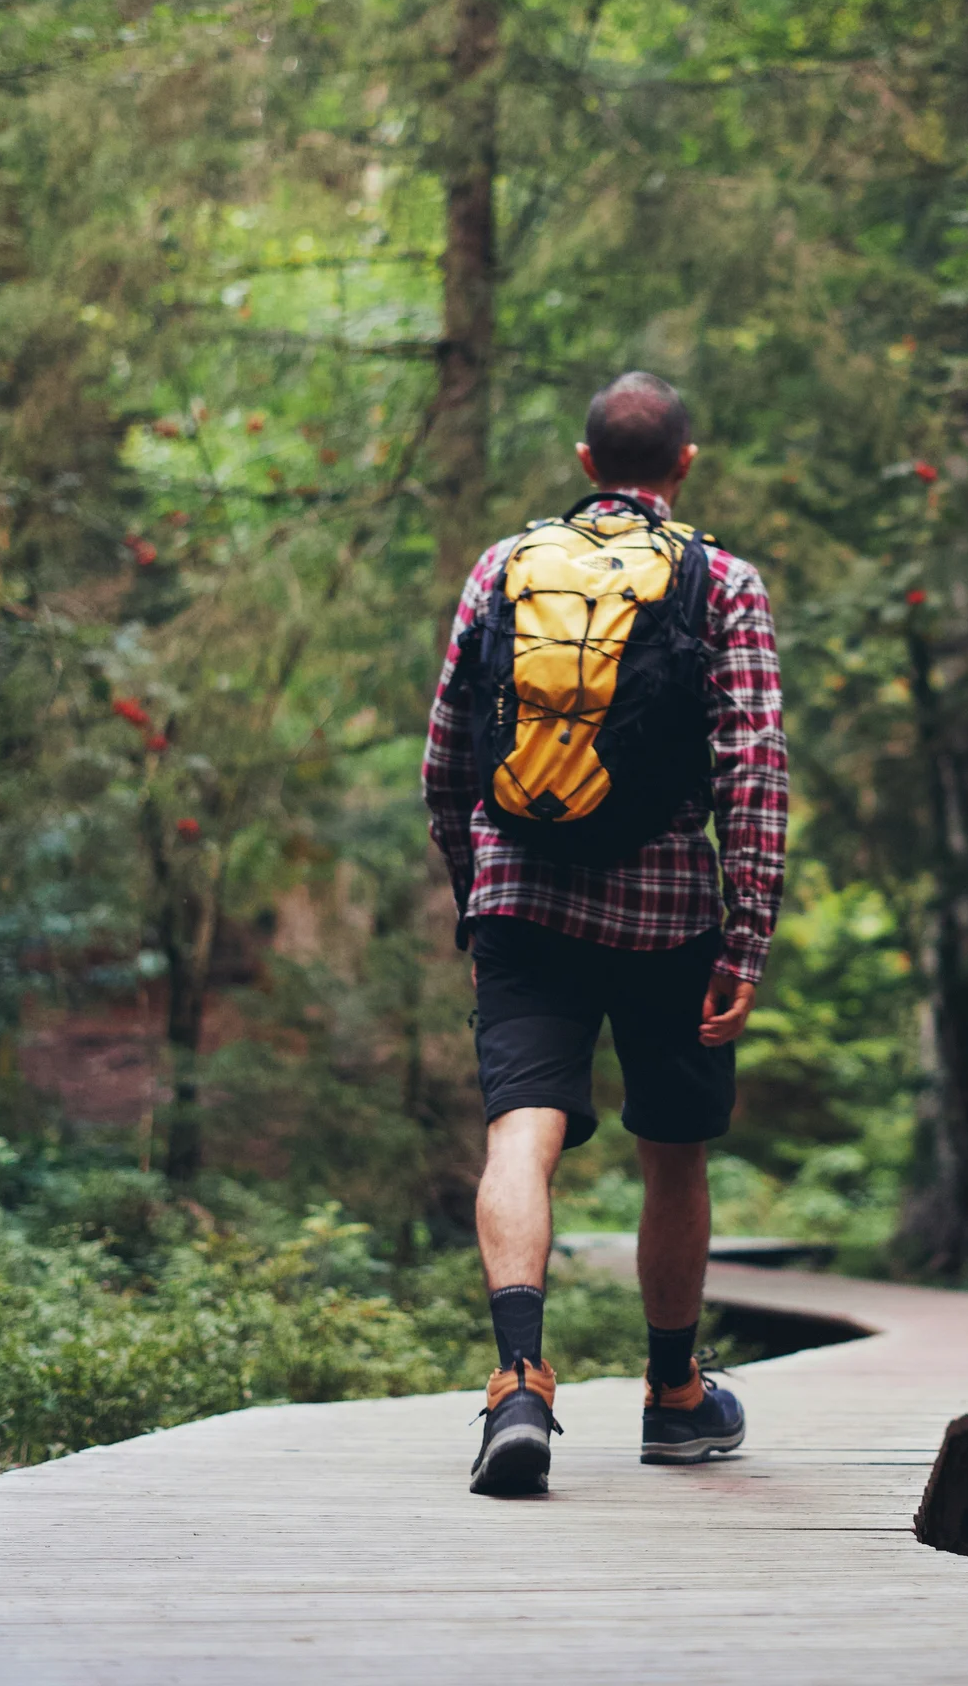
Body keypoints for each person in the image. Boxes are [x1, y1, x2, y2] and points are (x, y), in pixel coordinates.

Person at [422, 371, 787, 1496]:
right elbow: (753, 770)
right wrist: (745, 940)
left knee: (519, 1135)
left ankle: (518, 1384)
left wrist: (473, 892)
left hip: (522, 899)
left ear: (586, 465)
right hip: (668, 912)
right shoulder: (722, 581)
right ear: (684, 465)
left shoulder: (505, 565)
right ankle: (674, 1396)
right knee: (671, 1152)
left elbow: (446, 755)